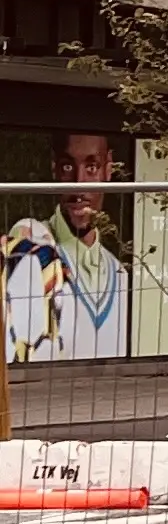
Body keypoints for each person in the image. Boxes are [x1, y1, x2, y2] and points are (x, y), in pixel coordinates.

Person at [2, 132, 127, 366]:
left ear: (108, 170)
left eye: (91, 168)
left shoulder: (119, 274)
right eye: (68, 166)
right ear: (55, 170)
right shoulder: (32, 240)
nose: (78, 184)